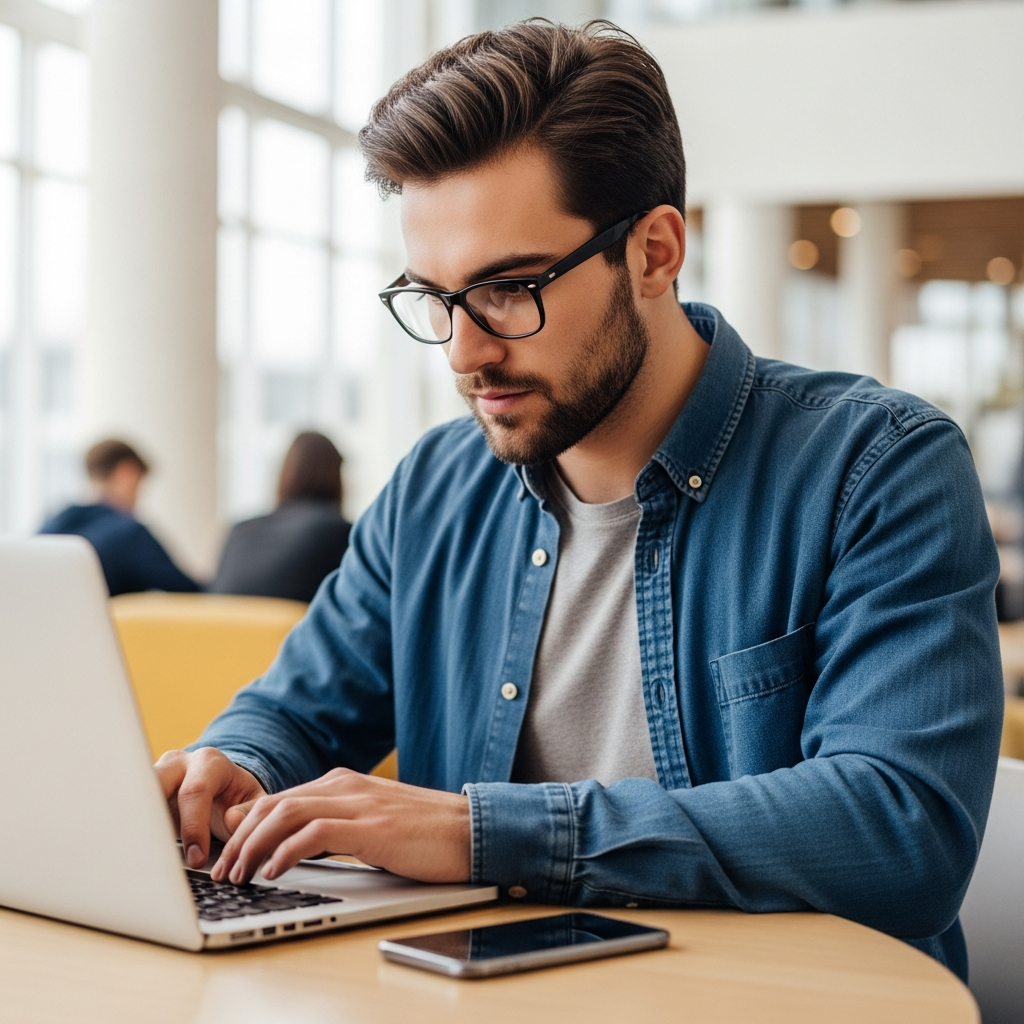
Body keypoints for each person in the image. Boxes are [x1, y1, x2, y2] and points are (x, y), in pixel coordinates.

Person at [156, 21, 1002, 982]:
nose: (466, 354)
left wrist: (484, 833)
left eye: (509, 289)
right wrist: (235, 761)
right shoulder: (438, 485)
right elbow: (296, 713)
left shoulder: (877, 468)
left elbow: (901, 830)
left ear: (653, 252)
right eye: (435, 298)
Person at [40, 439, 200, 597]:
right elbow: (191, 593)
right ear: (126, 474)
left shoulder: (49, 527)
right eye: (139, 486)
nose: (139, 498)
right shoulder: (130, 534)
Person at [211, 432, 351, 603]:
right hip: (293, 628)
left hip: (219, 626)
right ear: (336, 475)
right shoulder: (339, 531)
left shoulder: (241, 528)